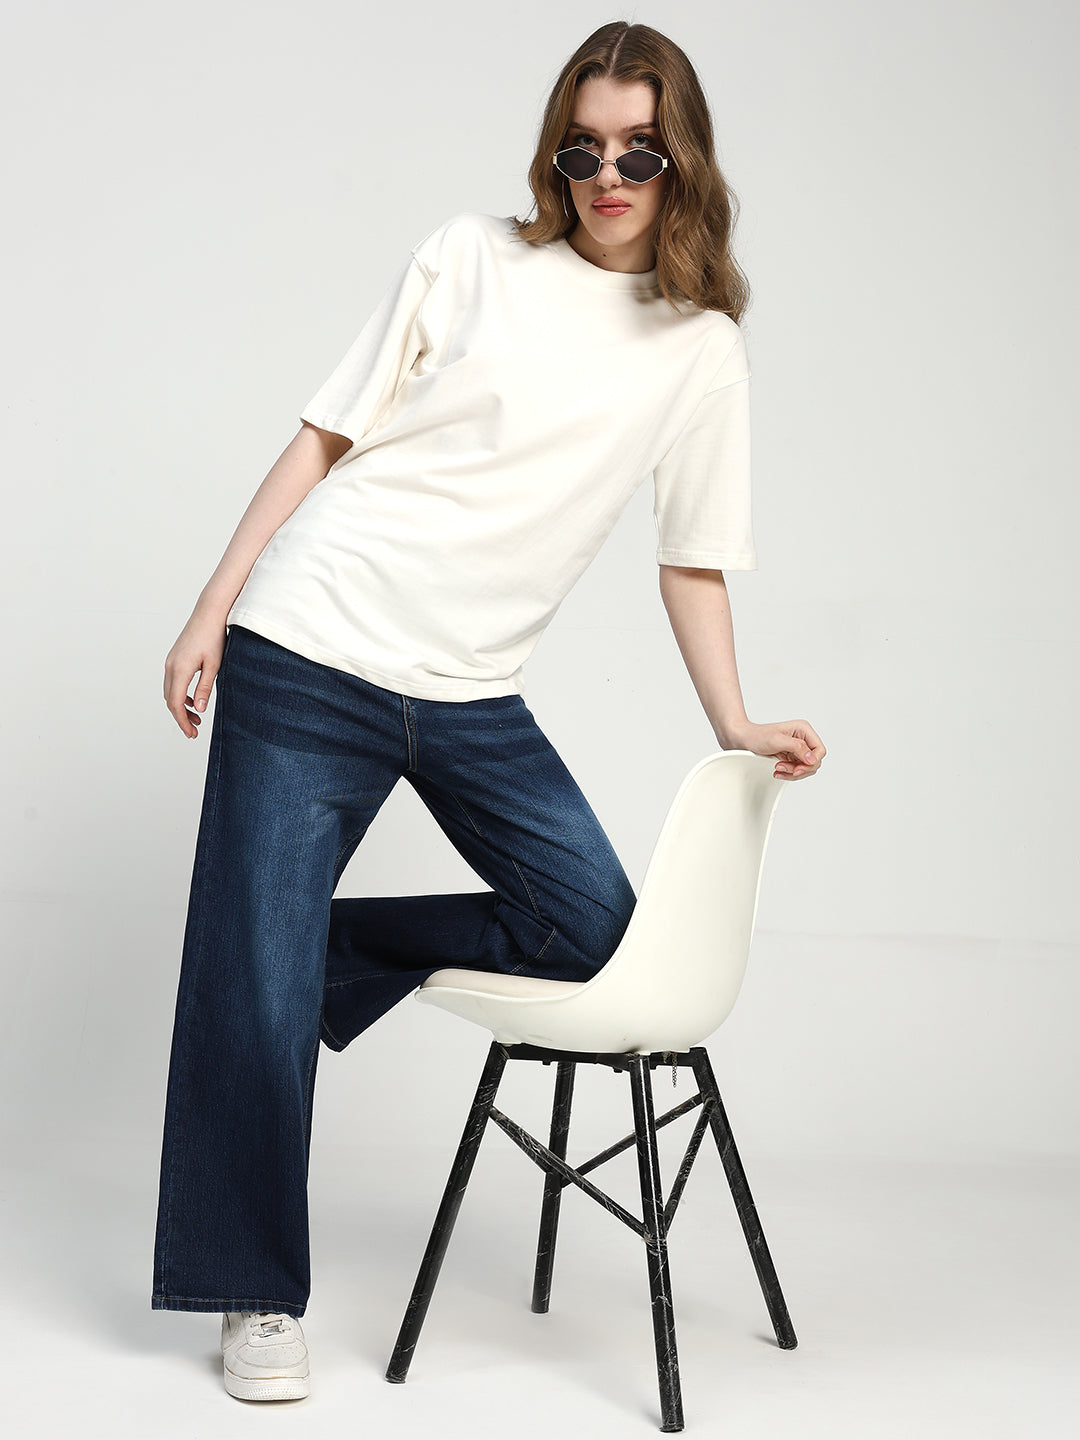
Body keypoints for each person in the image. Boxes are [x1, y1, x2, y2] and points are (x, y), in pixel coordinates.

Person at [152, 18, 826, 1403]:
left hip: (468, 696)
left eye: (639, 147)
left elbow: (688, 556)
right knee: (256, 958)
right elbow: (328, 431)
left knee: (591, 930)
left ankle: (274, 955)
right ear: (556, 155)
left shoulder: (700, 350)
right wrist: (213, 604)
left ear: (680, 157)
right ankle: (250, 1292)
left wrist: (736, 722)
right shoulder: (472, 255)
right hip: (314, 643)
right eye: (584, 147)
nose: (608, 173)